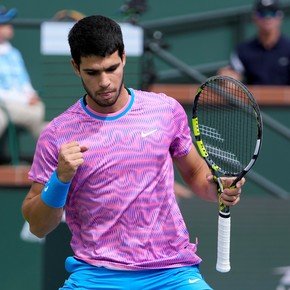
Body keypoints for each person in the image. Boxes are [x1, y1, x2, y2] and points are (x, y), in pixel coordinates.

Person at [22, 15, 244, 290]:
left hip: (171, 272)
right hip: (96, 275)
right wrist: (60, 178)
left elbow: (197, 174)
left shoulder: (165, 110)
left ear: (124, 58)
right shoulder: (57, 134)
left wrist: (218, 188)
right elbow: (38, 226)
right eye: (93, 72)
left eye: (112, 68)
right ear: (75, 67)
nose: (105, 81)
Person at [0, 6, 46, 142]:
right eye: (5, 23)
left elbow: (24, 83)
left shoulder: (14, 53)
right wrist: (25, 100)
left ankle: (52, 160)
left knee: (46, 128)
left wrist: (31, 95)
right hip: (5, 106)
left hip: (20, 107)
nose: (10, 26)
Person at [218, 0, 290, 85]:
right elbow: (232, 75)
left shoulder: (288, 47)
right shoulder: (243, 50)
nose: (267, 18)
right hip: (254, 98)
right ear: (254, 18)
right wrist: (227, 77)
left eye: (272, 13)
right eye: (262, 13)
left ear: (280, 17)